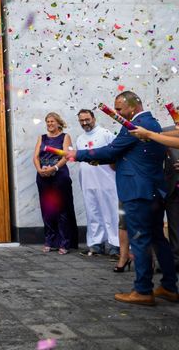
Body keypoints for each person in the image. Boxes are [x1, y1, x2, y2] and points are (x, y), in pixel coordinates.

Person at [66, 91, 178, 305]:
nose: (116, 113)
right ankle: (169, 286)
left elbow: (111, 151)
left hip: (137, 192)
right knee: (157, 238)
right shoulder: (151, 122)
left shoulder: (136, 126)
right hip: (153, 190)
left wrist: (76, 154)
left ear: (132, 107)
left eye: (119, 109)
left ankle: (143, 290)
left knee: (140, 240)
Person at [131, 123, 179, 270]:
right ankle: (161, 261)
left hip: (174, 187)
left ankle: (174, 261)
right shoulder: (164, 130)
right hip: (156, 185)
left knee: (175, 224)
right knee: (155, 225)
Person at [75, 109, 120, 258]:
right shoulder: (80, 138)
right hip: (88, 182)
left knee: (111, 212)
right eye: (81, 120)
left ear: (94, 118)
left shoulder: (105, 134)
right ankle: (96, 244)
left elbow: (115, 154)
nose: (85, 123)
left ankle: (116, 245)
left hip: (106, 180)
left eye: (87, 119)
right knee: (92, 212)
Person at [33, 112, 78, 254]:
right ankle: (50, 240)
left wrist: (55, 168)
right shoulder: (42, 137)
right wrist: (40, 169)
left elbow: (67, 156)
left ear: (59, 123)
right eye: (47, 122)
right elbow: (35, 156)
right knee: (47, 209)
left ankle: (64, 242)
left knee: (62, 209)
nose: (50, 124)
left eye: (52, 121)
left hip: (59, 176)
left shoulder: (65, 137)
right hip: (43, 176)